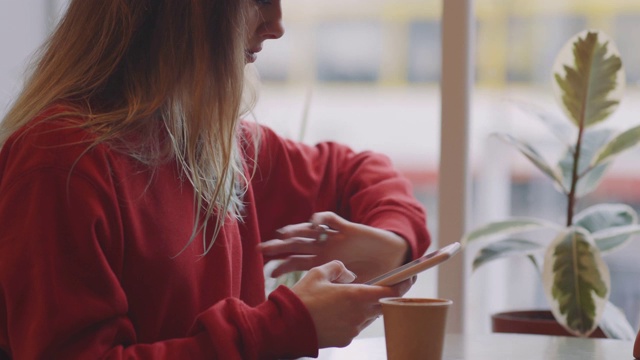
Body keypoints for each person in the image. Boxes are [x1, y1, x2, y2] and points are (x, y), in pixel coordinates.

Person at [0, 0, 431, 359]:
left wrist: (392, 242)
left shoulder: (208, 139)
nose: (276, 25)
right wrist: (287, 326)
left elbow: (360, 172)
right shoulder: (59, 161)